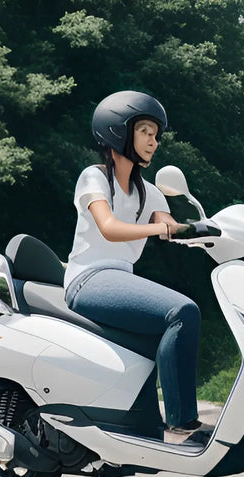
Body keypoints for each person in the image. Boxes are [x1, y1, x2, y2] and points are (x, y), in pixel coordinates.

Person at [63, 90, 206, 440]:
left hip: (118, 281)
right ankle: (182, 422)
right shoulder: (94, 177)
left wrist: (206, 229)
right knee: (182, 312)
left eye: (156, 135)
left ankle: (145, 431)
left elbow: (170, 226)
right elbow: (109, 228)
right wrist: (160, 228)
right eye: (145, 132)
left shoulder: (150, 192)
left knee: (148, 349)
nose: (154, 142)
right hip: (88, 280)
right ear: (118, 131)